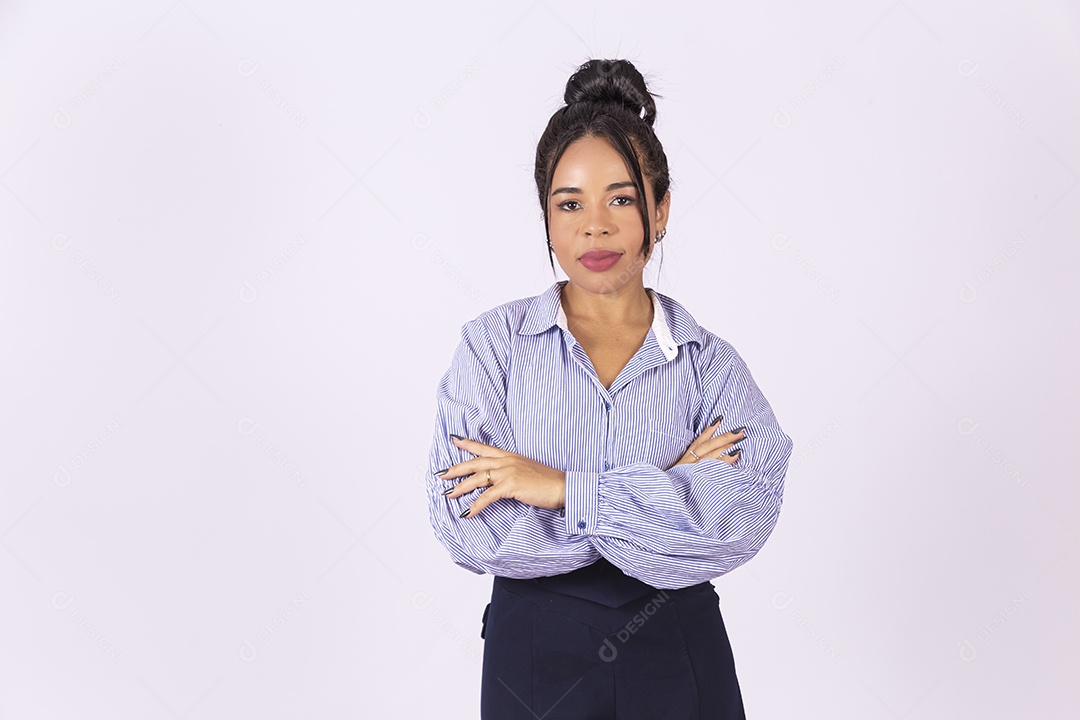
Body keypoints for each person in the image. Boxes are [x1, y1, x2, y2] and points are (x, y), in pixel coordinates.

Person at [426, 58, 793, 720]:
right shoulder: (491, 350)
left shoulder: (711, 366)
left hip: (678, 654)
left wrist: (561, 488)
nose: (595, 227)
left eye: (621, 199)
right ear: (545, 214)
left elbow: (736, 522)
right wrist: (666, 488)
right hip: (533, 661)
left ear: (661, 208)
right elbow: (472, 533)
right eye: (570, 204)